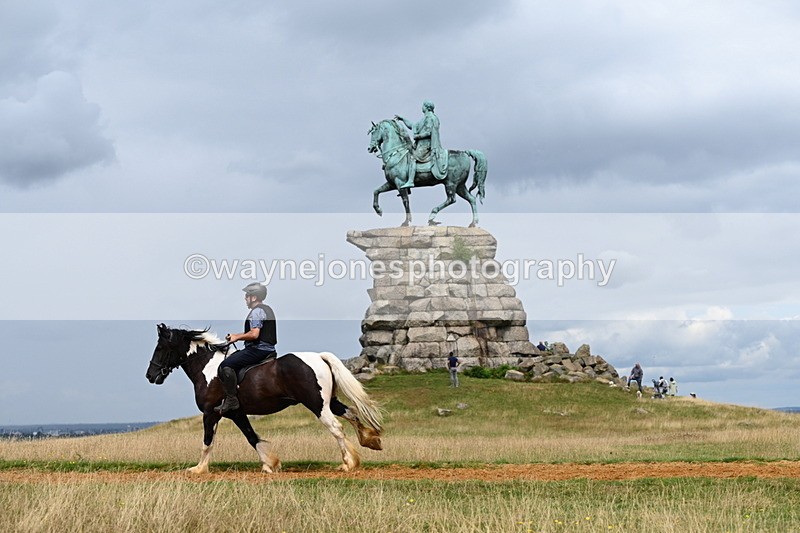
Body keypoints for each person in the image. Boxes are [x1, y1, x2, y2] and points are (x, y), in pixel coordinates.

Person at [215, 282, 278, 414]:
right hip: (267, 349)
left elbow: (254, 334)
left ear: (253, 298)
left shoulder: (257, 312)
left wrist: (236, 337)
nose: (245, 299)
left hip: (259, 349)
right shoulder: (267, 309)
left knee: (226, 365)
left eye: (247, 296)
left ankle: (232, 400)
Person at [394, 100, 448, 188]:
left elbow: (428, 132)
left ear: (426, 107)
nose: (421, 107)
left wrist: (418, 136)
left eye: (423, 106)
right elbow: (413, 125)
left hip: (426, 146)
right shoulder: (425, 118)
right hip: (421, 145)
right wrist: (403, 119)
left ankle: (411, 181)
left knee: (412, 158)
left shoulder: (430, 118)